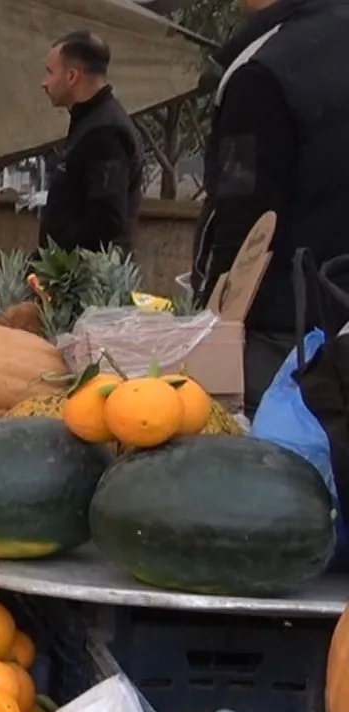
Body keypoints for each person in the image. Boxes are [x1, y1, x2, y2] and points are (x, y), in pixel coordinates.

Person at [192, 0, 349, 412]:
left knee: (277, 467)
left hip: (287, 336)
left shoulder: (263, 71)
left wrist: (213, 326)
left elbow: (244, 219)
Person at [37, 31, 143, 254]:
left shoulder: (106, 132)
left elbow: (105, 220)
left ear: (72, 76)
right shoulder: (89, 121)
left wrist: (58, 260)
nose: (43, 83)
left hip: (85, 279)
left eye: (49, 72)